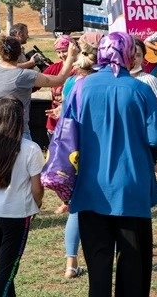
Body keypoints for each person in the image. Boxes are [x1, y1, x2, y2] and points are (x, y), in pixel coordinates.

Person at [66, 32, 157, 296]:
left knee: (97, 267)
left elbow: (65, 135)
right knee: (133, 263)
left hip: (90, 186)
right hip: (131, 186)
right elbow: (156, 135)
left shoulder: (79, 87)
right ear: (128, 54)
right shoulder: (141, 89)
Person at [0, 97, 44, 297]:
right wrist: (37, 204)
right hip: (16, 216)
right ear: (19, 118)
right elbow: (37, 188)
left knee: (4, 268)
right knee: (7, 274)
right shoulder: (31, 149)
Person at [54, 32, 101, 279]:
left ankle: (70, 264)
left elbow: (65, 117)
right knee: (104, 210)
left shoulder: (72, 83)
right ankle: (103, 258)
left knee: (76, 209)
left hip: (74, 152)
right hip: (98, 150)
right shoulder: (101, 83)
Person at [0, 35, 78, 143]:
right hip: (17, 134)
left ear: (0, 53)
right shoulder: (26, 76)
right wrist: (70, 56)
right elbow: (60, 79)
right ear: (19, 55)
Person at [131, 39, 157, 189]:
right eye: (131, 54)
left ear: (144, 58)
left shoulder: (149, 80)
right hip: (127, 134)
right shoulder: (116, 79)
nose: (134, 58)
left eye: (138, 55)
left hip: (147, 134)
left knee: (147, 163)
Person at [42, 35, 74, 141]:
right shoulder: (54, 68)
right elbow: (34, 85)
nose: (61, 55)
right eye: (58, 52)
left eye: (64, 51)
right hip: (54, 124)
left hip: (73, 123)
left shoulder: (81, 69)